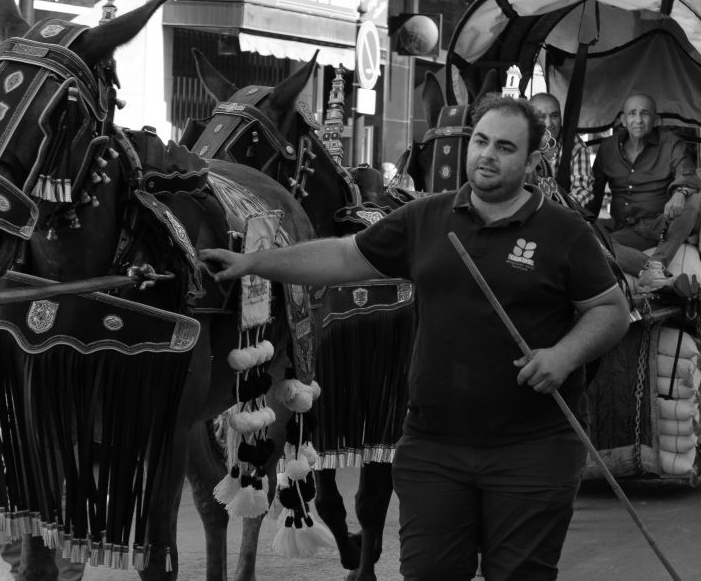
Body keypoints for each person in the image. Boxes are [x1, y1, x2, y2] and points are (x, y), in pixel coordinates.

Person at [201, 95, 629, 581]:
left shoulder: (564, 231)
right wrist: (254, 262)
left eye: (505, 148)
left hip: (533, 449)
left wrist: (564, 355)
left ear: (532, 161)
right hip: (434, 445)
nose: (487, 155)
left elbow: (611, 310)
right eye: (481, 142)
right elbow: (344, 257)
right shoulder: (428, 218)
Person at [588, 93, 701, 292]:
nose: (638, 120)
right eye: (632, 114)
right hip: (627, 229)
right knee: (591, 238)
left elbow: (687, 172)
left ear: (656, 120)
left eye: (645, 114)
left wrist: (680, 192)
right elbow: (593, 197)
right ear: (623, 120)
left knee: (692, 198)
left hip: (664, 224)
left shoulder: (670, 143)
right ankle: (653, 272)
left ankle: (658, 263)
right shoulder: (607, 149)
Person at [528, 92, 593, 205]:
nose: (548, 123)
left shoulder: (575, 146)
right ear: (529, 120)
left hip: (564, 214)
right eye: (541, 117)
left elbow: (582, 190)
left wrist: (556, 212)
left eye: (554, 116)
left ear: (561, 118)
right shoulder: (520, 143)